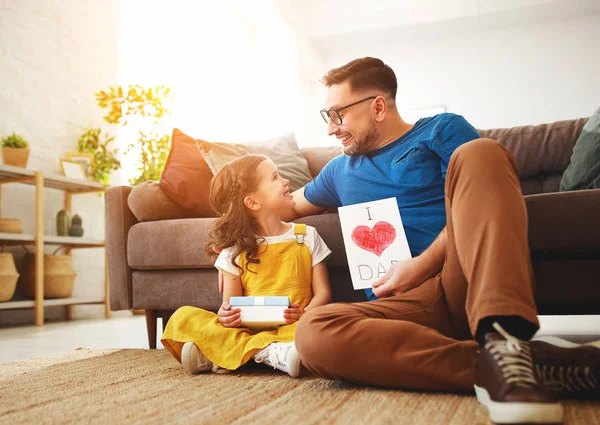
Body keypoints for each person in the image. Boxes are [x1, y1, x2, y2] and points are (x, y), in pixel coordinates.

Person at [281, 57, 600, 424]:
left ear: (378, 107)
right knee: (313, 333)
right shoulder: (338, 171)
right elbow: (287, 207)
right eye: (327, 118)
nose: (331, 130)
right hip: (406, 310)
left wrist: (423, 263)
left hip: (461, 280)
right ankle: (521, 365)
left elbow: (477, 198)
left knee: (482, 151)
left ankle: (504, 335)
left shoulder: (440, 131)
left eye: (336, 116)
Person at [161, 154, 332, 378]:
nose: (285, 181)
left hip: (295, 326)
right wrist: (225, 315)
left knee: (328, 323)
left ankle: (226, 354)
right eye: (274, 177)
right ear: (252, 202)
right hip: (249, 329)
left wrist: (305, 313)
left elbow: (324, 294)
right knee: (182, 317)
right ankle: (268, 352)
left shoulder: (306, 236)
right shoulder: (234, 250)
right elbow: (232, 308)